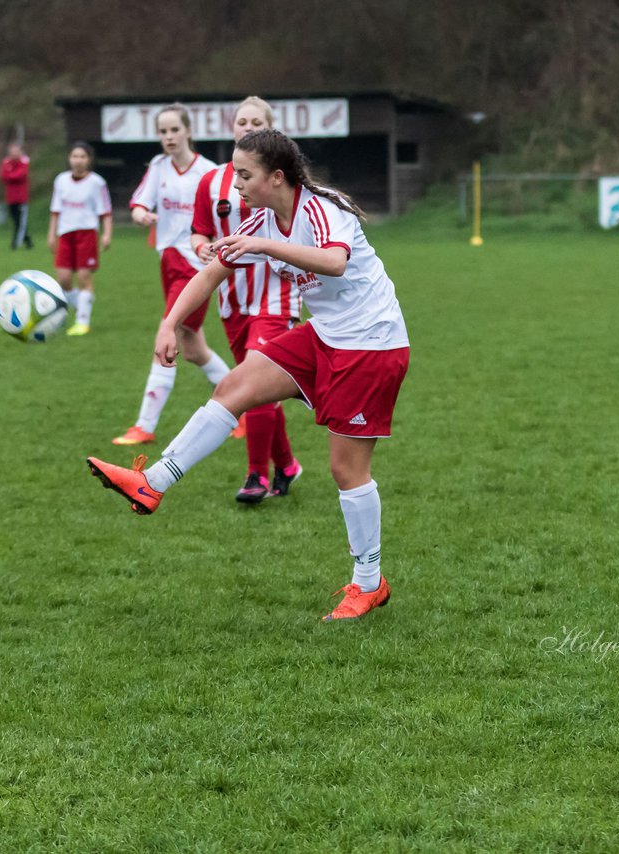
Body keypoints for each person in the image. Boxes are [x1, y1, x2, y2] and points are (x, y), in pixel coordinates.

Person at [88, 129, 410, 621]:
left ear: (276, 177)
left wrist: (265, 245)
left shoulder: (324, 208)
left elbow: (334, 263)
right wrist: (171, 323)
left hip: (371, 344)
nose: (233, 183)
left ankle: (369, 583)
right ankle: (151, 483)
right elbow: (212, 272)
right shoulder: (262, 221)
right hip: (324, 335)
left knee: (347, 471)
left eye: (244, 174)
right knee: (232, 386)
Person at [191, 97, 302, 504]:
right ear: (232, 128)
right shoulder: (211, 183)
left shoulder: (283, 183)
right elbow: (199, 230)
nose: (248, 127)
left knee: (254, 381)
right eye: (242, 121)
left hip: (277, 294)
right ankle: (287, 464)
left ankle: (256, 476)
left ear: (273, 132)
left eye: (257, 122)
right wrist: (201, 247)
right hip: (232, 299)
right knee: (259, 390)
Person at [111, 103, 230, 445]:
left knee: (166, 336)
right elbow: (138, 205)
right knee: (193, 349)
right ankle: (248, 409)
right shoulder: (159, 167)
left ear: (188, 132)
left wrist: (211, 244)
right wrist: (140, 216)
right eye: (162, 132)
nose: (168, 137)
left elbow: (222, 217)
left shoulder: (209, 172)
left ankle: (145, 426)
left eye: (174, 130)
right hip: (168, 262)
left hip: (195, 270)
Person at [49, 141, 112, 336]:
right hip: (65, 233)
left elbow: (106, 212)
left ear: (89, 160)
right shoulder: (60, 180)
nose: (78, 161)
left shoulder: (97, 183)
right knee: (64, 279)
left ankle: (82, 322)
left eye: (82, 157)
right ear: (69, 159)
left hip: (87, 233)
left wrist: (107, 233)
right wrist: (52, 234)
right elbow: (55, 210)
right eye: (75, 156)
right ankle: (81, 306)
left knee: (84, 277)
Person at [0, 142, 34, 250]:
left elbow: (20, 175)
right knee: (17, 221)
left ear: (20, 152)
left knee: (20, 222)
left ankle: (15, 244)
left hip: (21, 198)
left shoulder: (24, 162)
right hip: (11, 198)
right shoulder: (6, 162)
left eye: (16, 151)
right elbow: (3, 176)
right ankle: (28, 241)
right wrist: (11, 176)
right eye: (12, 152)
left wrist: (10, 175)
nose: (14, 154)